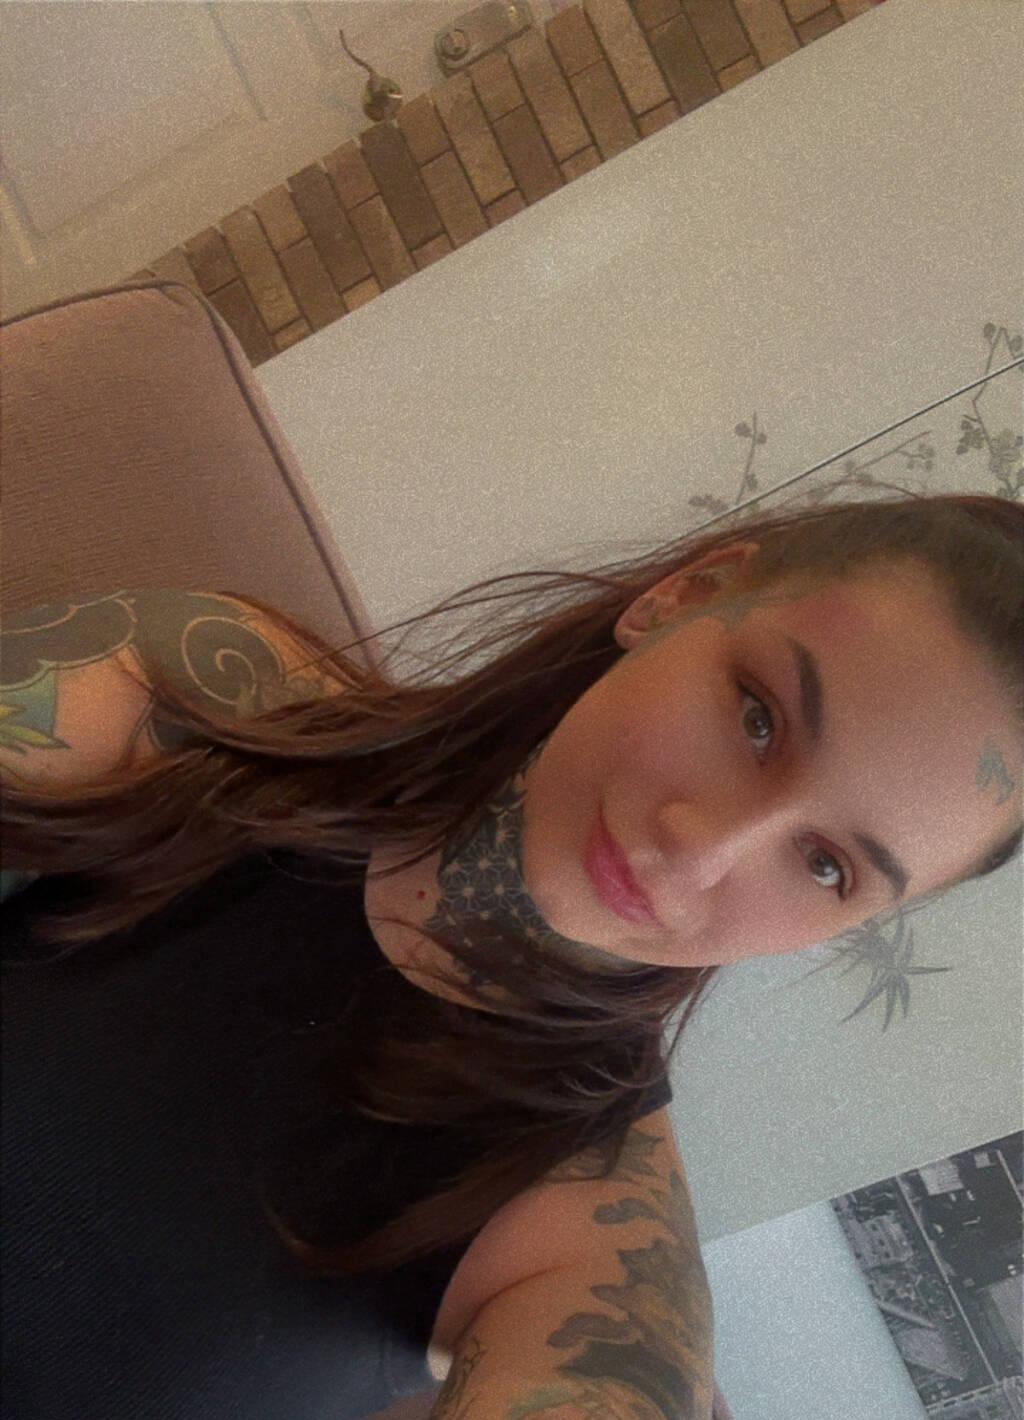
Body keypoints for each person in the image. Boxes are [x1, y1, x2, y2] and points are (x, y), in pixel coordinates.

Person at [1, 486, 1021, 1418]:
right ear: (684, 595)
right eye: (758, 717)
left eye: (827, 865)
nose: (702, 848)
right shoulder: (210, 692)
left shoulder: (596, 1244)